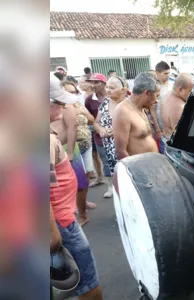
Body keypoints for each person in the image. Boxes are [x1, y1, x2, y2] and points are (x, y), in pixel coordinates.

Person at [50, 77, 104, 300]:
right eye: (59, 102)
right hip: (60, 223)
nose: (64, 107)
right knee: (87, 283)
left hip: (56, 219)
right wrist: (52, 235)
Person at [61, 81, 97, 216]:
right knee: (74, 178)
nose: (72, 94)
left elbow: (92, 120)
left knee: (87, 174)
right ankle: (73, 205)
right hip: (71, 147)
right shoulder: (60, 107)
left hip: (86, 144)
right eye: (68, 92)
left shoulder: (78, 104)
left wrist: (83, 112)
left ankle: (83, 201)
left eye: (73, 91)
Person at [113, 72, 161, 159]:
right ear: (148, 93)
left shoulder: (142, 108)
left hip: (152, 165)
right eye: (156, 96)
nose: (156, 100)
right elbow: (120, 152)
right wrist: (135, 170)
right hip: (140, 168)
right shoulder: (123, 112)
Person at [93, 76, 128, 177]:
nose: (108, 90)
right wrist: (101, 129)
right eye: (107, 87)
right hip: (110, 150)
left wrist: (117, 131)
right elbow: (96, 122)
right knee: (117, 177)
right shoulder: (105, 103)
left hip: (126, 149)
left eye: (112, 88)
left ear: (123, 89)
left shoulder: (129, 104)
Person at [85, 73, 113, 197]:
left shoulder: (114, 95)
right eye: (91, 82)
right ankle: (110, 186)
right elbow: (90, 119)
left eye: (96, 82)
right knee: (105, 161)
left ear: (104, 83)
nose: (93, 85)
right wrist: (99, 129)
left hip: (117, 135)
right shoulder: (89, 100)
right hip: (100, 136)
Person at [159, 73, 194, 152]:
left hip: (164, 140)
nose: (192, 94)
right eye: (190, 91)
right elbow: (181, 135)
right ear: (180, 90)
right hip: (173, 147)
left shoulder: (166, 96)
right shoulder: (179, 106)